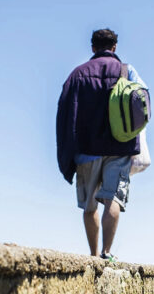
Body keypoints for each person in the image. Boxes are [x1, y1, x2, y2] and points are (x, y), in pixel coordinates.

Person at [56, 28, 146, 262]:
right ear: (114, 47)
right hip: (120, 147)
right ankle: (107, 252)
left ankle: (93, 255)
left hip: (87, 149)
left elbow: (65, 111)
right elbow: (143, 104)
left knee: (89, 206)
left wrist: (68, 151)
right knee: (112, 199)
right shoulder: (127, 71)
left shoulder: (78, 74)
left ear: (93, 47)